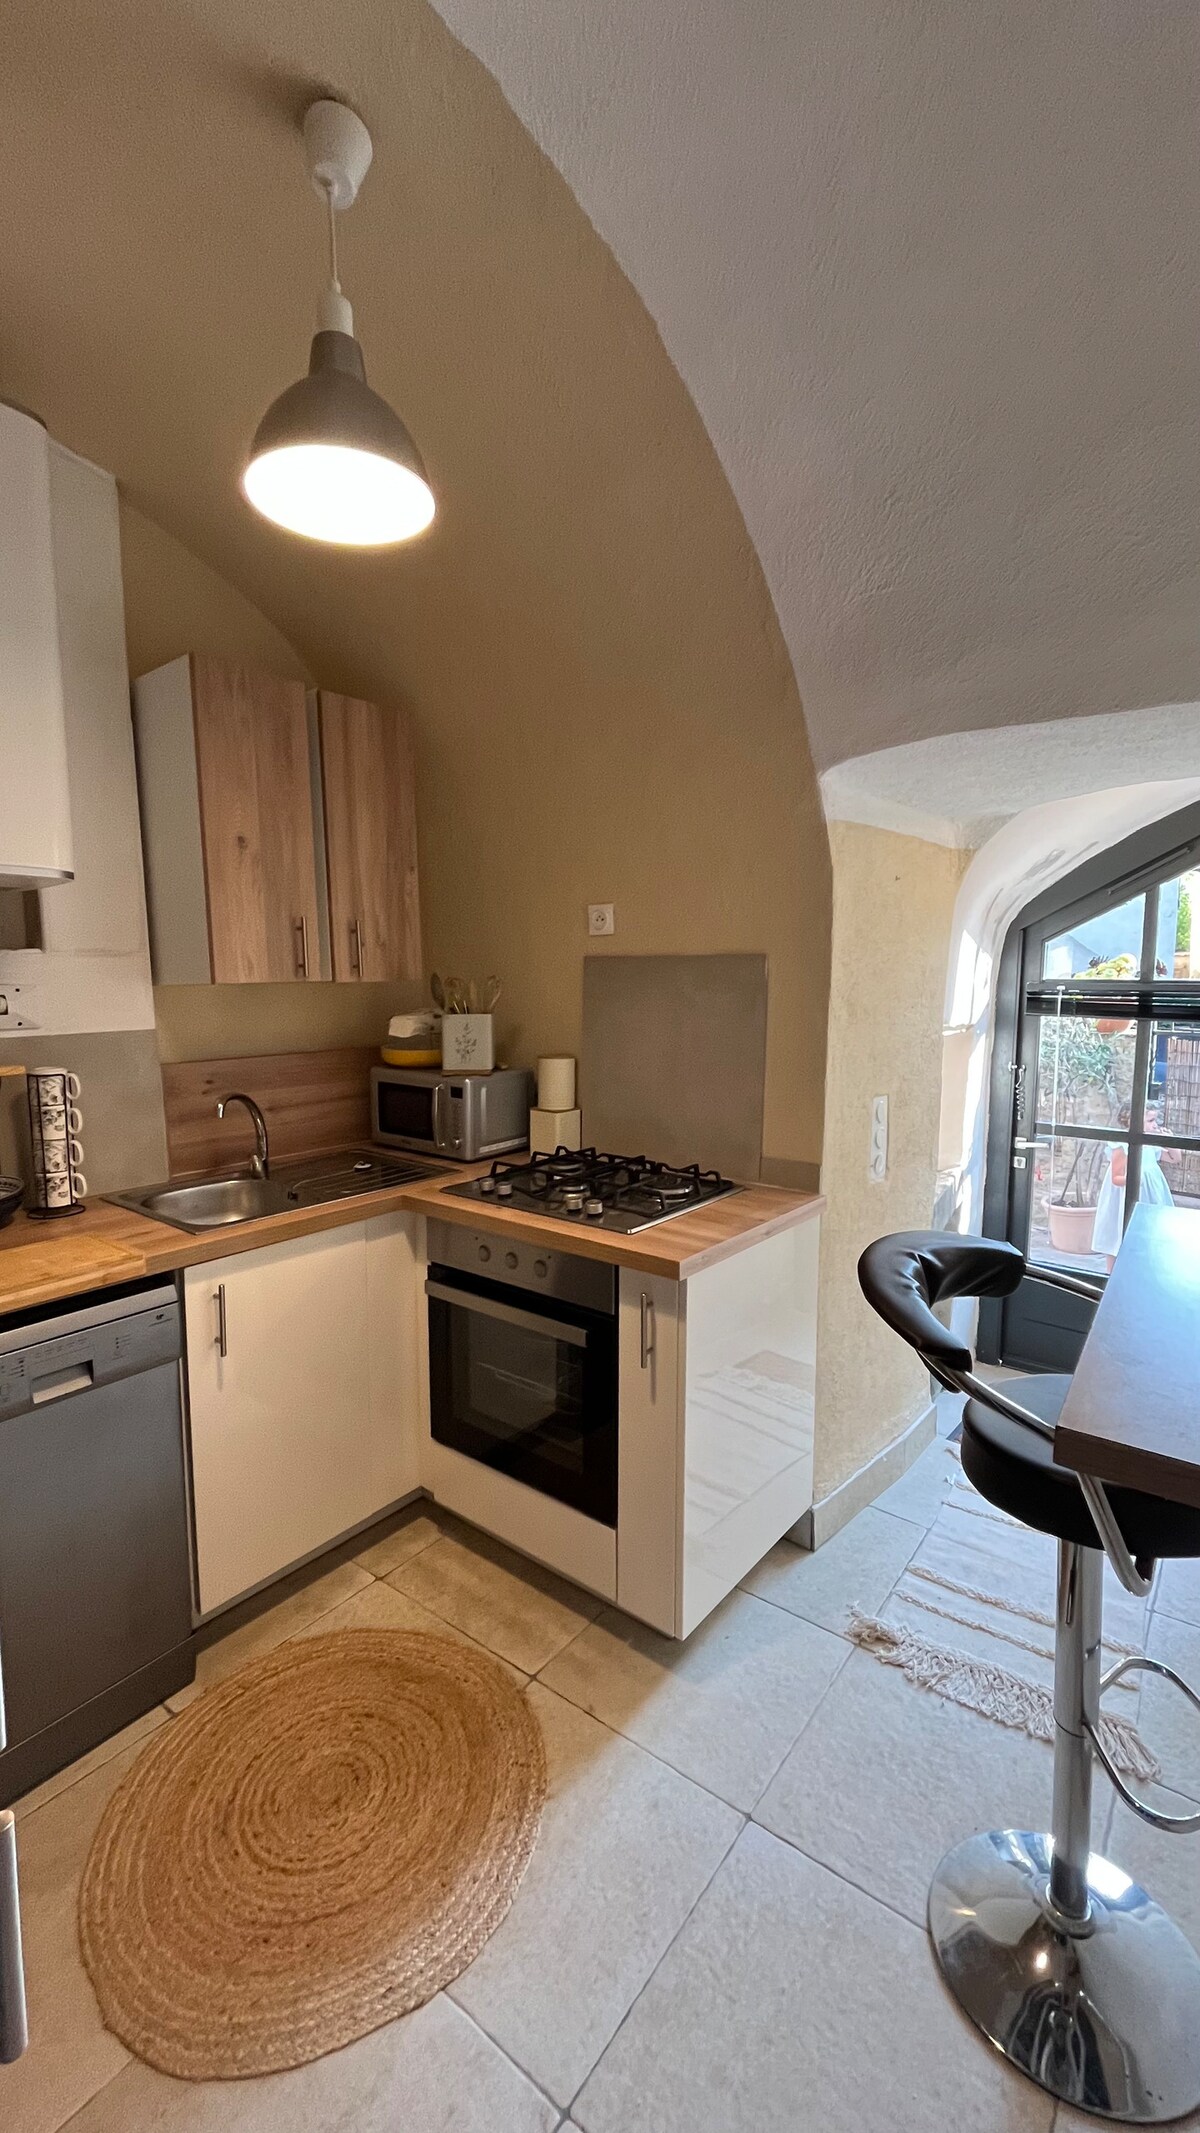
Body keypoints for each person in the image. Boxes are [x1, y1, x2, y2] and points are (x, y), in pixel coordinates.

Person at [1092, 1104, 1174, 1271]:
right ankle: (1114, 1275)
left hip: (1150, 1196)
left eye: (1155, 1120)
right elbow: (1116, 1177)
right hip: (1125, 1195)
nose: (1155, 1125)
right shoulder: (1123, 1145)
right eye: (1150, 1120)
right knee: (1118, 1234)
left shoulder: (1150, 1143)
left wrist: (1171, 1140)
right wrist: (1136, 1180)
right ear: (1134, 1121)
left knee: (1148, 1234)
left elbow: (1174, 1158)